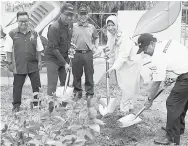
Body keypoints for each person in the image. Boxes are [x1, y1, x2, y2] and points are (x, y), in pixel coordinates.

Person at [137, 33, 188, 145]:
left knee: (172, 103)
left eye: (144, 48)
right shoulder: (165, 42)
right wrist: (173, 76)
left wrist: (149, 99)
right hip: (184, 72)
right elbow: (177, 58)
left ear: (152, 43)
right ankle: (178, 128)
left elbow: (156, 83)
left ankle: (172, 137)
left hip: (185, 76)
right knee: (181, 103)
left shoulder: (157, 56)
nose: (144, 52)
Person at [5, 11, 44, 112]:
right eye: (21, 21)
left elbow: (39, 49)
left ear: (28, 21)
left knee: (36, 85)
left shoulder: (34, 33)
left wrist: (40, 62)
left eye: (26, 20)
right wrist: (9, 63)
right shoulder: (12, 34)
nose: (24, 23)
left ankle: (37, 104)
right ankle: (16, 105)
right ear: (17, 21)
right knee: (17, 86)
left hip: (33, 64)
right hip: (18, 65)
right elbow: (8, 50)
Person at [105, 15, 143, 114]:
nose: (110, 28)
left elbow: (123, 55)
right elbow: (111, 51)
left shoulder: (124, 37)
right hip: (124, 62)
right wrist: (108, 58)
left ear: (117, 25)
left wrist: (113, 67)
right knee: (124, 84)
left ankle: (124, 109)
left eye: (112, 25)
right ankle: (129, 104)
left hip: (132, 62)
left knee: (127, 85)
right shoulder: (111, 35)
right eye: (108, 25)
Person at [45, 3, 74, 100]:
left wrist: (71, 48)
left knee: (65, 82)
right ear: (61, 13)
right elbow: (54, 49)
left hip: (64, 57)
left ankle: (63, 105)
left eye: (71, 15)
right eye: (67, 15)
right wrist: (65, 64)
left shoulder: (69, 25)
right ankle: (50, 107)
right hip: (53, 58)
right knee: (52, 85)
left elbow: (67, 41)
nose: (69, 17)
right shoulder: (54, 27)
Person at [71, 5, 99, 99]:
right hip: (76, 53)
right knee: (76, 74)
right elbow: (68, 38)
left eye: (85, 14)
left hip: (88, 53)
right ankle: (77, 93)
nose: (83, 16)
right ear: (78, 15)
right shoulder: (73, 26)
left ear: (87, 15)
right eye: (81, 14)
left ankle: (89, 93)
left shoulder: (91, 27)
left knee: (89, 73)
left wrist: (95, 47)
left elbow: (96, 37)